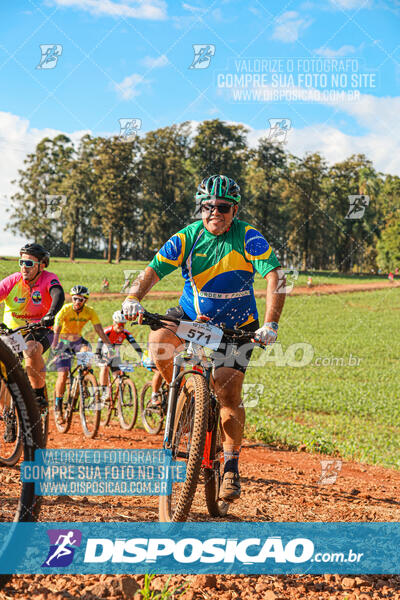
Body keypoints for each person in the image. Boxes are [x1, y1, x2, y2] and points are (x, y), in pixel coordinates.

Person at [122, 174, 286, 502]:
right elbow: (152, 271)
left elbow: (275, 277)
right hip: (194, 317)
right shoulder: (187, 237)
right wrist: (132, 298)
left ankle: (230, 468)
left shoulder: (249, 237)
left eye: (223, 207)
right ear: (200, 209)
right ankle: (184, 399)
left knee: (227, 388)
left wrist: (271, 324)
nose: (215, 212)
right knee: (158, 341)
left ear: (234, 210)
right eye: (208, 206)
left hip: (238, 325)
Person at [0, 243, 64, 425]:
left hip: (39, 329)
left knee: (31, 350)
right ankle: (6, 411)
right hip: (12, 332)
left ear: (41, 265)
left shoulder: (48, 278)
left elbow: (58, 293)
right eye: (21, 262)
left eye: (29, 263)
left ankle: (38, 394)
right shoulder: (13, 281)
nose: (24, 267)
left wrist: (51, 314)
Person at [51, 285, 109, 421]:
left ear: (85, 300)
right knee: (63, 374)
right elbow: (56, 328)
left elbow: (99, 330)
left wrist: (109, 346)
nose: (77, 301)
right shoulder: (65, 310)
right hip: (63, 343)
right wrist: (54, 345)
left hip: (78, 341)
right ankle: (58, 406)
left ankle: (82, 384)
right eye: (75, 298)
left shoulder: (90, 311)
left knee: (87, 359)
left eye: (80, 299)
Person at [95, 310, 143, 401]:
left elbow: (135, 346)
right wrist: (98, 356)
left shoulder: (125, 333)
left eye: (123, 325)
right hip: (104, 353)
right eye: (119, 325)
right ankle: (104, 391)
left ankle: (118, 400)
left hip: (115, 355)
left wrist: (142, 357)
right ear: (114, 322)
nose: (121, 327)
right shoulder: (107, 331)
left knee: (118, 377)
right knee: (105, 368)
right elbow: (99, 346)